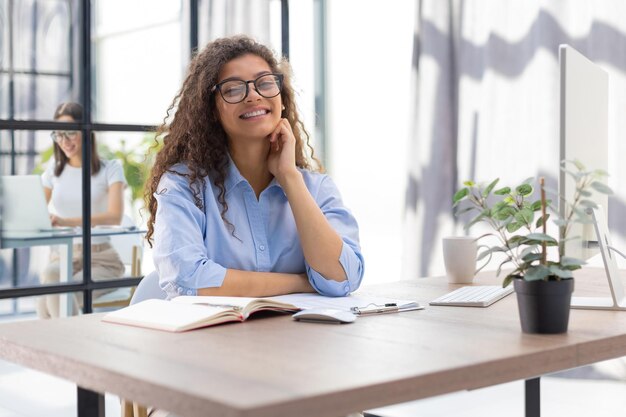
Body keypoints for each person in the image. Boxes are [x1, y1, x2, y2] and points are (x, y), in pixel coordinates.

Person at [145, 35, 364, 300]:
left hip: (304, 339)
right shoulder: (184, 186)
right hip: (212, 340)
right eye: (234, 88)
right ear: (211, 108)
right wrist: (301, 282)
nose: (253, 96)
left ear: (281, 99)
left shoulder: (316, 188)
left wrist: (289, 178)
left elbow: (343, 279)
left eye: (265, 83)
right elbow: (188, 281)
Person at [37, 102, 126, 318]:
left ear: (86, 131)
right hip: (64, 256)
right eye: (58, 135)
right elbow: (37, 207)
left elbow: (115, 216)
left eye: (70, 133)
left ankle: (63, 347)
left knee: (59, 296)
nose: (64, 141)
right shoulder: (54, 169)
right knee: (49, 279)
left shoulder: (110, 169)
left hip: (101, 258)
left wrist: (66, 221)